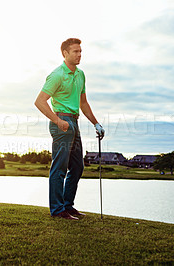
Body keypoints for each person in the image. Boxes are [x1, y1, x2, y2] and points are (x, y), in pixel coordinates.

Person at [34, 38, 105, 220]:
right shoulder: (57, 75)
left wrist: (96, 123)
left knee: (77, 166)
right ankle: (57, 210)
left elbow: (83, 103)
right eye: (75, 51)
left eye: (80, 51)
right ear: (65, 54)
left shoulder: (81, 75)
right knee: (59, 168)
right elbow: (40, 102)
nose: (79, 54)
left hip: (74, 122)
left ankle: (67, 205)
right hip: (62, 123)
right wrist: (57, 121)